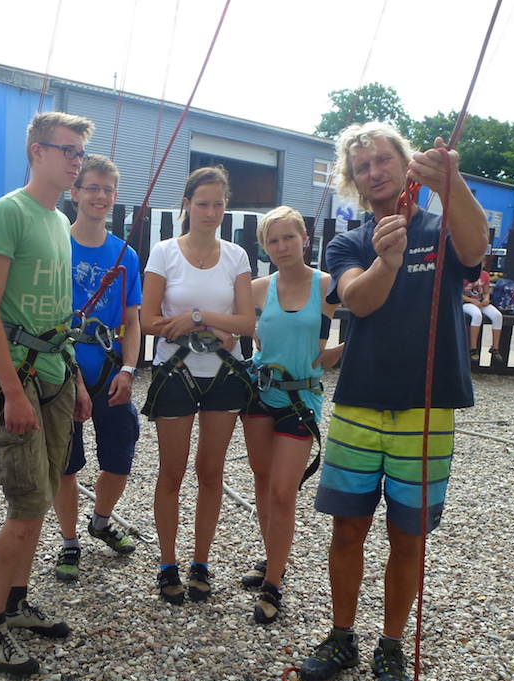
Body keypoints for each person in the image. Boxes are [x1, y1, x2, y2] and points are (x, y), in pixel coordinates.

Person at [299, 122, 487, 681]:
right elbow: (358, 300)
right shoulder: (349, 243)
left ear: (406, 163)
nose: (374, 171)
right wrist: (388, 260)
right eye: (362, 166)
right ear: (352, 182)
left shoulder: (441, 226)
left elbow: (476, 251)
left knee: (408, 536)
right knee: (347, 528)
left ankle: (391, 644)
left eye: (383, 159)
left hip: (427, 411)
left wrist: (454, 184)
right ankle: (342, 636)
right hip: (359, 403)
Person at [0, 111, 94, 675]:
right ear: (37, 151)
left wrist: (77, 379)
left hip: (56, 373)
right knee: (24, 506)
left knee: (42, 497)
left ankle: (16, 604)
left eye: (80, 153)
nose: (76, 162)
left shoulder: (58, 219)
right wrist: (12, 393)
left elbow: (59, 314)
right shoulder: (9, 213)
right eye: (67, 150)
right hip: (18, 377)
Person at [141, 166, 257, 605]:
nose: (211, 212)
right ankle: (167, 563)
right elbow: (148, 319)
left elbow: (246, 323)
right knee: (171, 471)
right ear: (187, 205)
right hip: (176, 372)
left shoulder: (236, 256)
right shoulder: (165, 253)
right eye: (203, 203)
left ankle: (201, 562)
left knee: (211, 472)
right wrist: (209, 326)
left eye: (218, 204)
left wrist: (195, 317)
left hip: (223, 375)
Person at [240, 206, 342, 624]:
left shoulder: (328, 285)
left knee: (284, 492)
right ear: (264, 247)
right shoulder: (257, 289)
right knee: (263, 483)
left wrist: (338, 352)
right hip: (259, 395)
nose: (281, 247)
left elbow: (374, 316)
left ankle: (273, 585)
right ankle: (272, 559)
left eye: (288, 237)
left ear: (304, 238)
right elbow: (226, 317)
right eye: (272, 241)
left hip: (301, 400)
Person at [51, 154, 142, 582]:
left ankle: (101, 522)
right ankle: (69, 542)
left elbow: (133, 320)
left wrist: (129, 369)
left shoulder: (125, 254)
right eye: (92, 187)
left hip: (110, 367)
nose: (100, 196)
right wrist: (71, 377)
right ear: (75, 193)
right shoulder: (56, 245)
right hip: (64, 365)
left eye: (108, 189)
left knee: (120, 456)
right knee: (66, 463)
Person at [462, 268, 504, 364]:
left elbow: (485, 292)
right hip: (467, 302)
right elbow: (459, 294)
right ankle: (473, 348)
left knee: (497, 316)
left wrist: (486, 299)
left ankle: (495, 348)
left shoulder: (484, 275)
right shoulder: (463, 273)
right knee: (477, 315)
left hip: (480, 301)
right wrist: (472, 301)